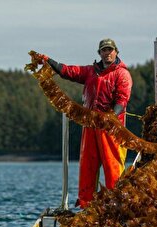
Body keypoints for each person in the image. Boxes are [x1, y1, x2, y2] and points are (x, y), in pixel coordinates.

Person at [37, 38, 133, 209]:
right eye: (104, 50)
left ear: (116, 52)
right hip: (90, 126)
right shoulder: (90, 71)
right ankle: (86, 204)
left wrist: (111, 116)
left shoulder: (122, 73)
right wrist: (48, 61)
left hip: (111, 128)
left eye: (110, 50)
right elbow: (68, 71)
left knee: (113, 166)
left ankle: (117, 205)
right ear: (99, 53)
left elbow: (122, 99)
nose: (107, 53)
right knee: (87, 165)